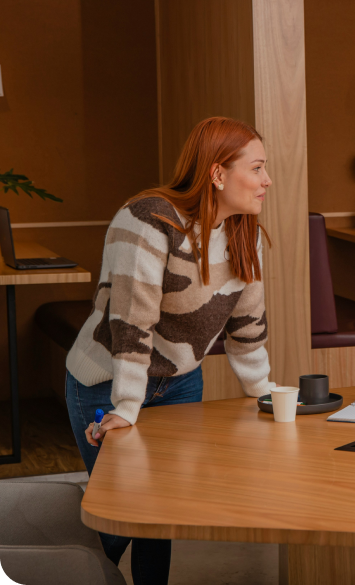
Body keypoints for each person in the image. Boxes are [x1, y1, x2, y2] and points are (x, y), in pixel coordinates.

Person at [65, 116, 274, 585]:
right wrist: (126, 405)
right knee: (118, 515)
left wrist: (264, 392)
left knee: (159, 513)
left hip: (180, 383)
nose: (266, 180)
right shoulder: (148, 219)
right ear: (218, 173)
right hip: (106, 380)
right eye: (257, 168)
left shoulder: (245, 232)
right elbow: (131, 321)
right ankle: (56, 564)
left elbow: (247, 324)